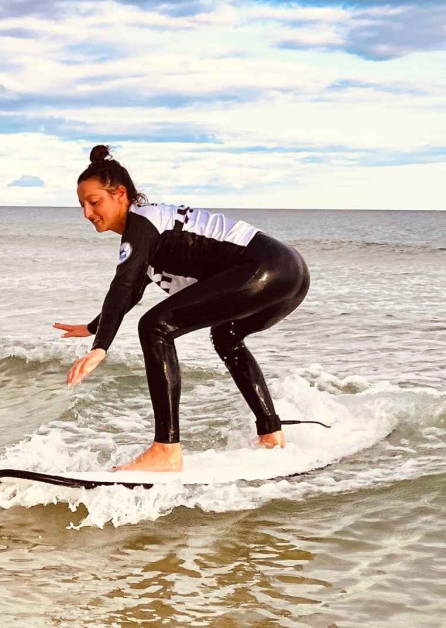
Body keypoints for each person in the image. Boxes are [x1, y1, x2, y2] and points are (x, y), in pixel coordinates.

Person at [55, 145, 311, 472]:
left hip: (268, 267)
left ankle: (166, 450)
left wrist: (100, 348)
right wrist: (94, 327)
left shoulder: (142, 224)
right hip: (289, 272)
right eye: (82, 205)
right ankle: (271, 434)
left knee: (155, 326)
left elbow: (122, 283)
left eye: (94, 202)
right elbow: (131, 290)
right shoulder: (151, 231)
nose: (87, 213)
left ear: (120, 194)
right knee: (226, 336)